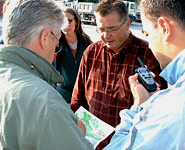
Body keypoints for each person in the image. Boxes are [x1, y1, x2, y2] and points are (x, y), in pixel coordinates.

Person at [0, 0, 93, 149]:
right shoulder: (47, 103)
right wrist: (77, 135)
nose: (54, 52)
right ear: (45, 38)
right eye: (56, 44)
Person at [70, 0, 167, 149]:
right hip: (92, 144)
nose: (105, 35)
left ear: (128, 24)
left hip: (130, 144)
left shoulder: (148, 54)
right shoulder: (91, 52)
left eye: (112, 29)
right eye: (101, 29)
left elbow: (159, 109)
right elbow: (78, 99)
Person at [104, 0, 185, 149]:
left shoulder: (169, 108)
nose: (150, 44)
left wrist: (139, 107)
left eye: (147, 33)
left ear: (164, 28)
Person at [55, 7, 92, 103]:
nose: (66, 25)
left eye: (69, 21)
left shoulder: (87, 44)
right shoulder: (56, 45)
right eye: (62, 21)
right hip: (62, 97)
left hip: (83, 97)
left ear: (77, 22)